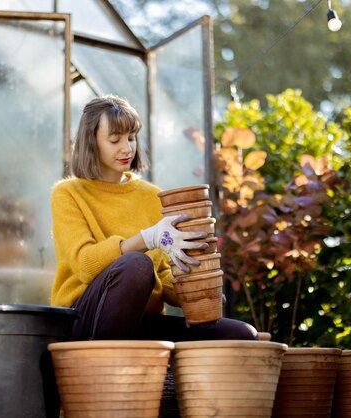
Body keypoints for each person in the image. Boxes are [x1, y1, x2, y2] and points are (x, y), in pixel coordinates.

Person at [50, 94, 257, 342]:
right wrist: (147, 238)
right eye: (114, 140)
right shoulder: (68, 193)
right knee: (137, 264)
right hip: (85, 320)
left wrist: (195, 290)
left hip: (142, 323)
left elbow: (162, 276)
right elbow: (85, 266)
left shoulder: (151, 196)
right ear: (91, 142)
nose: (127, 148)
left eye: (131, 137)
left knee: (240, 334)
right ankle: (102, 371)